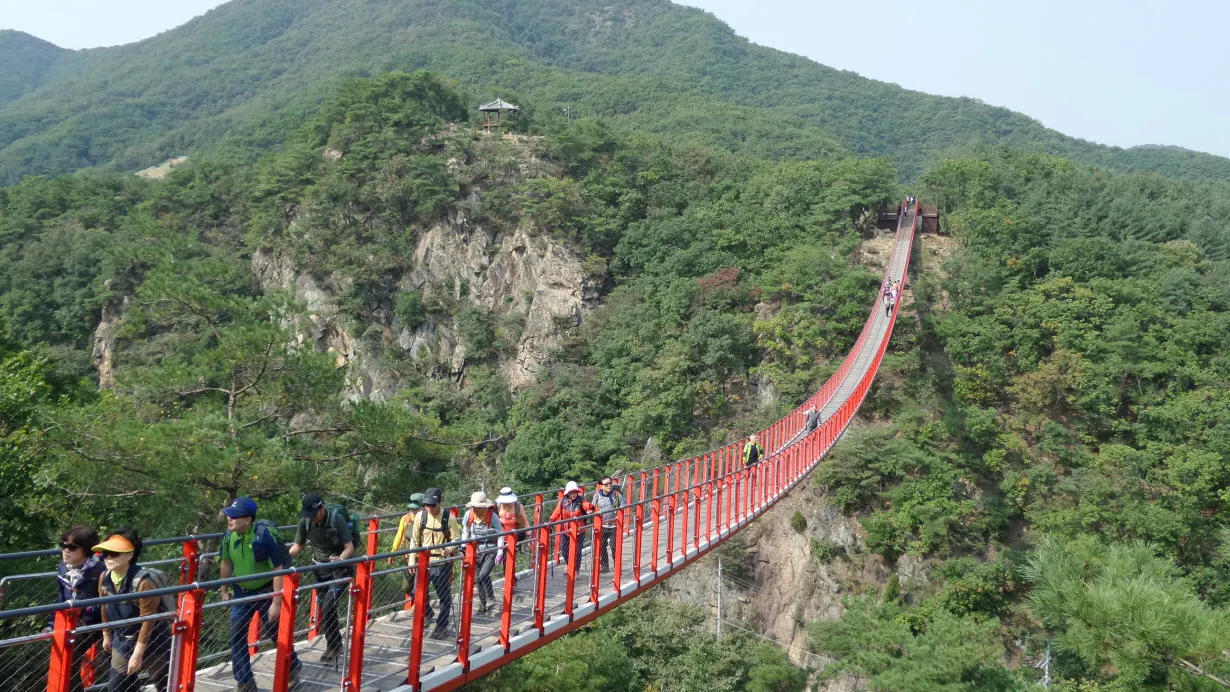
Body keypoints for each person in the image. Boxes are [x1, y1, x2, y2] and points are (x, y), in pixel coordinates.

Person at [218, 497, 301, 692]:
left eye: (233, 516)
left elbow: (278, 567)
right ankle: (245, 683)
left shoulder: (264, 536)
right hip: (241, 592)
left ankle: (293, 666)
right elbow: (226, 563)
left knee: (275, 633)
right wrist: (223, 590)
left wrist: (276, 602)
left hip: (266, 591)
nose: (228, 519)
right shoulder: (229, 536)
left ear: (247, 520)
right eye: (228, 515)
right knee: (237, 636)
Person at [94, 528, 171, 692]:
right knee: (116, 687)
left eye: (114, 554)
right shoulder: (105, 577)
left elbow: (148, 620)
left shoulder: (144, 583)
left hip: (153, 641)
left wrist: (137, 654)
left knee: (165, 685)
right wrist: (106, 634)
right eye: (105, 553)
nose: (107, 558)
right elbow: (104, 605)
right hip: (122, 640)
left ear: (130, 555)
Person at [289, 493, 355, 663]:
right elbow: (299, 545)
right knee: (323, 605)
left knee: (328, 604)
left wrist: (340, 558)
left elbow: (350, 548)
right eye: (309, 515)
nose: (312, 519)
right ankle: (335, 643)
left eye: (314, 515)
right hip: (319, 569)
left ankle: (333, 645)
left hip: (340, 569)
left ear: (322, 508)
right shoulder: (306, 521)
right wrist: (283, 562)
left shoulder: (336, 519)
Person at [47, 526, 106, 692]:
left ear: (86, 550)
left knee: (67, 660)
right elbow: (61, 598)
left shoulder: (99, 571)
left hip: (95, 622)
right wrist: (52, 622)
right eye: (63, 546)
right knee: (63, 661)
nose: (66, 551)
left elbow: (105, 602)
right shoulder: (64, 568)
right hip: (71, 621)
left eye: (72, 547)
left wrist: (82, 611)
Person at [410, 487, 462, 639]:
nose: (429, 508)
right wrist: (412, 560)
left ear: (439, 503)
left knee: (444, 596)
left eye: (432, 505)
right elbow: (415, 539)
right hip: (423, 562)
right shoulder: (421, 516)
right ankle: (428, 613)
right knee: (415, 592)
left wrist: (449, 549)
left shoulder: (449, 518)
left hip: (441, 562)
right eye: (427, 505)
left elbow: (457, 539)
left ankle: (441, 625)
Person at [461, 491, 500, 615]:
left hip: (490, 549)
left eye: (478, 507)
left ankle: (489, 599)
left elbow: (500, 535)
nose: (476, 509)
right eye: (474, 507)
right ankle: (483, 604)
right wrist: (463, 547)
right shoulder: (469, 515)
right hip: (475, 550)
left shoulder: (492, 516)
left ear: (484, 506)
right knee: (479, 578)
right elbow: (465, 531)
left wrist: (500, 553)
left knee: (482, 575)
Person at [389, 493, 426, 605]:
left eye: (416, 509)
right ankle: (417, 605)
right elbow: (399, 536)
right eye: (411, 509)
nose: (413, 511)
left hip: (423, 558)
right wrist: (393, 552)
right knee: (406, 587)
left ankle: (421, 610)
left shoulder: (429, 519)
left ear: (423, 507)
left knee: (418, 587)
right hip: (409, 557)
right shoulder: (405, 519)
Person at [549, 481, 596, 567]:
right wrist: (551, 520)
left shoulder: (581, 500)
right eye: (571, 493)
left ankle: (576, 570)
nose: (574, 494)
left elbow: (585, 505)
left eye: (575, 492)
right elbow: (557, 512)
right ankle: (569, 565)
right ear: (568, 493)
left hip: (579, 530)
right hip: (566, 530)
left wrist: (590, 506)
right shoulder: (563, 501)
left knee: (577, 551)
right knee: (565, 551)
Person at [591, 477, 623, 573]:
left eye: (610, 483)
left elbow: (623, 505)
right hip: (602, 525)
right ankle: (605, 567)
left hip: (614, 525)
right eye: (606, 484)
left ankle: (617, 567)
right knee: (601, 547)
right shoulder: (597, 495)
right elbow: (592, 507)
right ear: (601, 486)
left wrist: (621, 505)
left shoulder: (617, 494)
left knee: (615, 547)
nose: (609, 485)